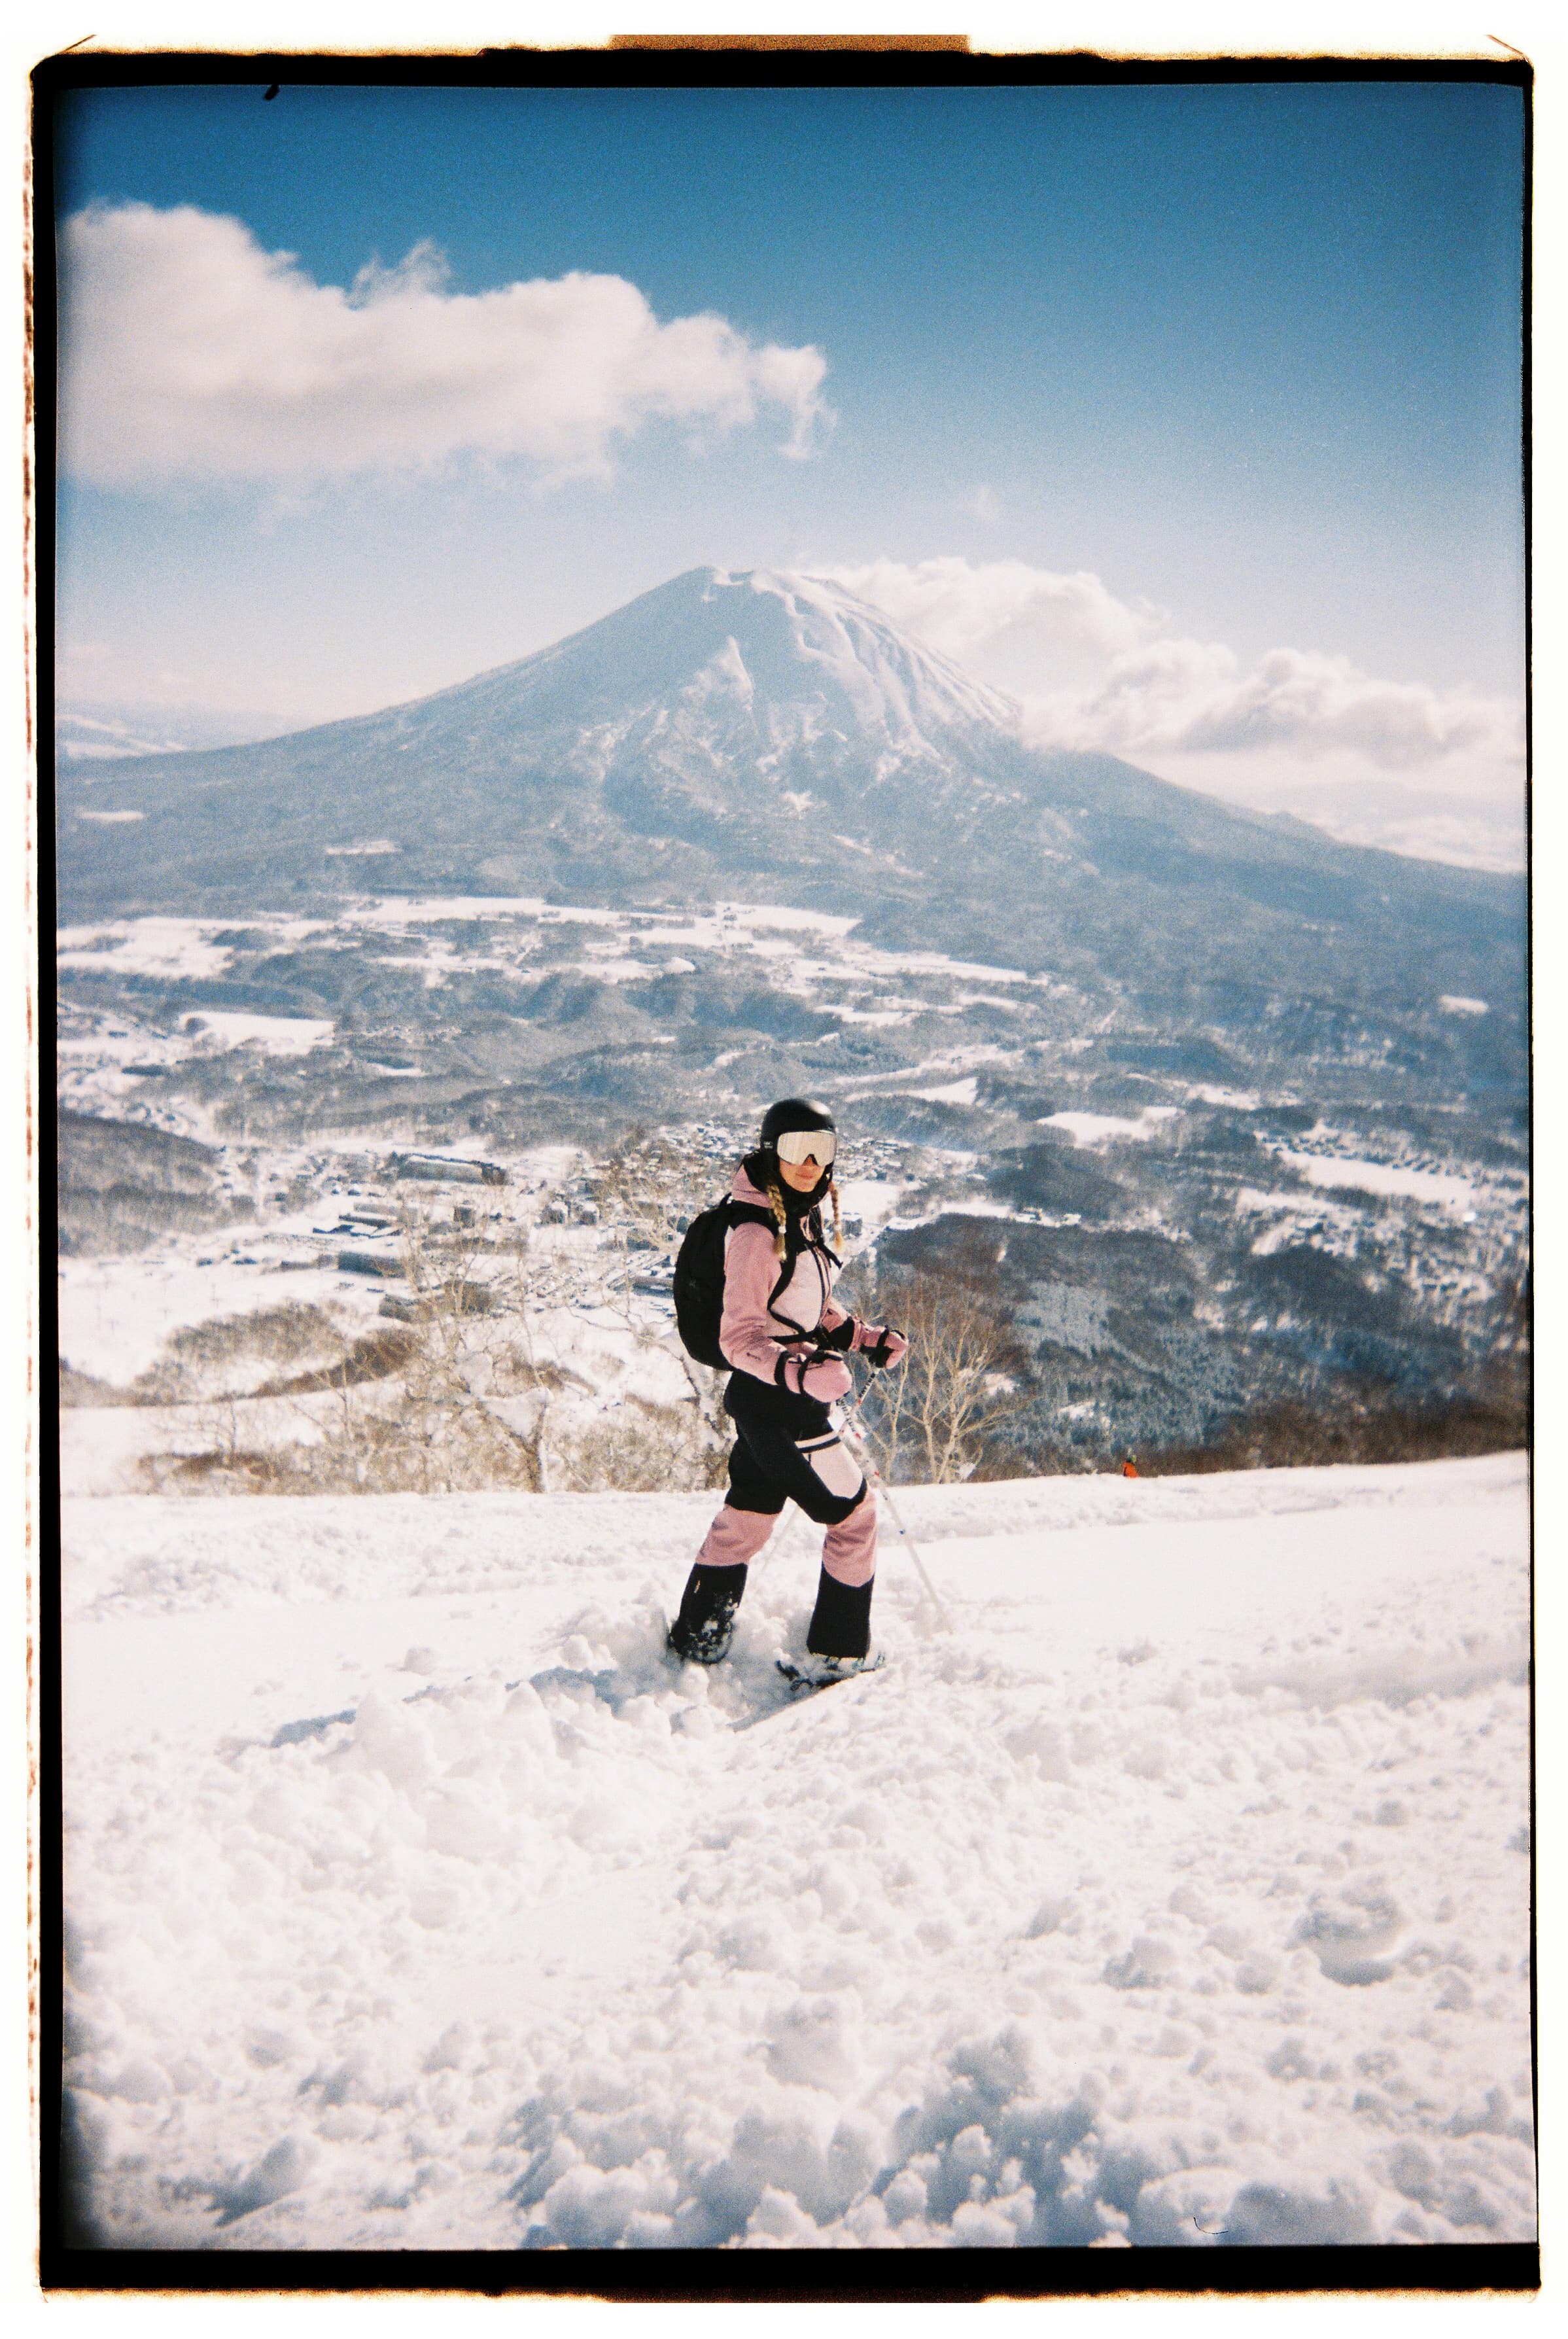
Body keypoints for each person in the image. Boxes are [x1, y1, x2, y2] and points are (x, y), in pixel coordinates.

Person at [667, 1099, 908, 1674]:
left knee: (745, 1518)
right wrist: (802, 1374)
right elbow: (740, 1337)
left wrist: (863, 1338)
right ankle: (839, 1652)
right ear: (770, 1148)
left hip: (767, 1404)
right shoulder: (755, 1231)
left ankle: (697, 1640)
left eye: (821, 1149)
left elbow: (801, 1308)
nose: (808, 1161)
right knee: (855, 1518)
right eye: (795, 1146)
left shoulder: (796, 1214)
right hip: (780, 1406)